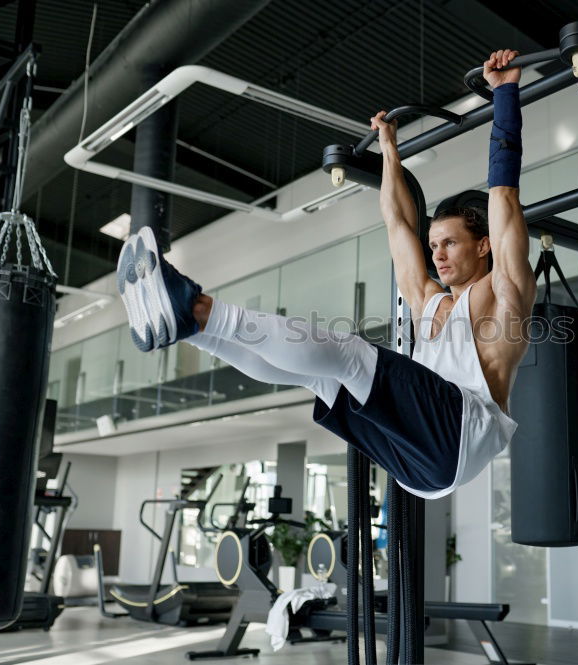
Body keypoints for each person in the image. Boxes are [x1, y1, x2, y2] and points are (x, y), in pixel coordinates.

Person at [116, 49, 535, 499]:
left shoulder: (503, 293)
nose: (437, 254)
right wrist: (390, 151)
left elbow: (504, 196)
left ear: (484, 244)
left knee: (350, 354)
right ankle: (192, 330)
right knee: (323, 377)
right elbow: (397, 222)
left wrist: (506, 95)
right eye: (433, 245)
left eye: (449, 243)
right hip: (415, 468)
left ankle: (197, 311)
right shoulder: (427, 299)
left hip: (462, 437)